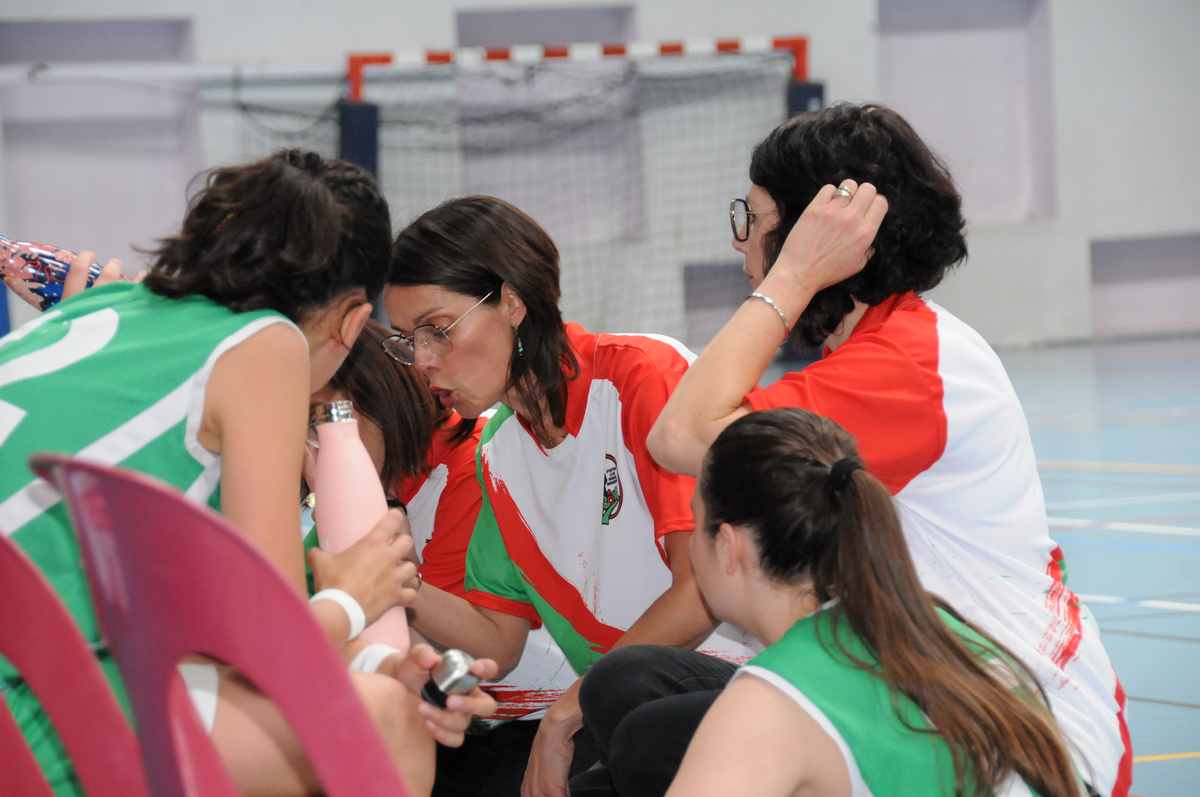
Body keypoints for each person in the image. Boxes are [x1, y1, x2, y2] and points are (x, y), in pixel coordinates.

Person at [588, 103, 1129, 795]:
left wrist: (790, 278)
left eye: (753, 220)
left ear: (818, 236)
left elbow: (680, 435)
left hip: (1004, 720)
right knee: (631, 685)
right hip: (912, 673)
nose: (739, 243)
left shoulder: (908, 363)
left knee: (652, 740)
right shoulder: (880, 346)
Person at [0, 150, 494, 797]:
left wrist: (379, 661)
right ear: (352, 320)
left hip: (36, 670)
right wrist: (353, 598)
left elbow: (202, 637)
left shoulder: (96, 310)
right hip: (27, 706)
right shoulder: (265, 343)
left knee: (373, 693)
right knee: (388, 721)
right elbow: (266, 647)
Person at [382, 195, 755, 797]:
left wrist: (566, 710)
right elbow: (496, 641)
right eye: (407, 340)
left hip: (739, 681)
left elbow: (702, 591)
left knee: (624, 694)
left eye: (438, 330)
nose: (421, 361)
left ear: (511, 303)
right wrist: (394, 580)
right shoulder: (498, 451)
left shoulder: (643, 375)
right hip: (614, 711)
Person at [665, 408, 1084, 797]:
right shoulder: (941, 632)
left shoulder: (769, 704)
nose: (692, 548)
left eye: (696, 521)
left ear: (728, 546)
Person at [303, 319, 580, 795]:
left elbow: (483, 653)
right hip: (442, 719)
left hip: (529, 723)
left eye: (328, 418)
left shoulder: (473, 463)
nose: (317, 444)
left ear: (380, 397)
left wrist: (380, 573)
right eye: (305, 428)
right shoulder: (334, 501)